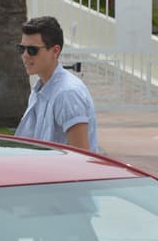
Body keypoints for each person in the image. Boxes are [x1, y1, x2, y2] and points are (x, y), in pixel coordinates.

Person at [13, 16, 98, 151]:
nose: (25, 55)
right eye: (21, 49)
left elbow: (82, 156)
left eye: (32, 50)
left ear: (55, 51)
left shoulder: (67, 94)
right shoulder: (40, 89)